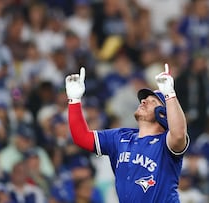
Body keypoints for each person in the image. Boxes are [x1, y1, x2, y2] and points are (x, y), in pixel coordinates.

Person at [65, 64, 189, 202]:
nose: (143, 101)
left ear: (163, 115)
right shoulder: (120, 137)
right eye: (143, 99)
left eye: (152, 101)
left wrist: (170, 95)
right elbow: (81, 138)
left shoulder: (165, 142)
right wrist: (74, 101)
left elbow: (178, 134)